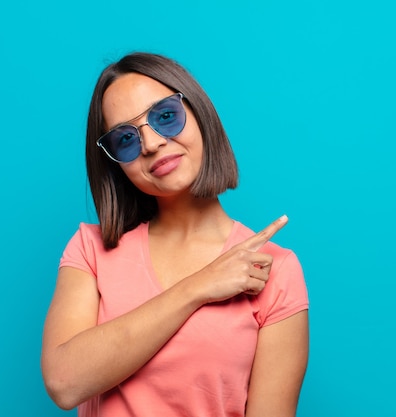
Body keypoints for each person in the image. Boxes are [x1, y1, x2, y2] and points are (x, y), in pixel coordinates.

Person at [41, 52, 309, 417]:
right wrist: (198, 286)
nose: (151, 144)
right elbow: (64, 383)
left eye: (165, 116)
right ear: (115, 162)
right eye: (126, 139)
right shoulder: (91, 249)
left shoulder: (273, 269)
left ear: (199, 113)